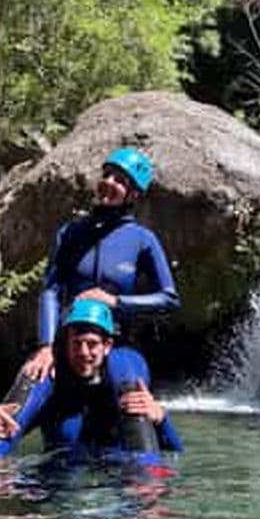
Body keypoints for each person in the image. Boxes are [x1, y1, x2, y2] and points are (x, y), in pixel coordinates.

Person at [24, 147, 179, 383]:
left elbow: (169, 300)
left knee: (132, 398)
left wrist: (116, 302)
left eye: (119, 180)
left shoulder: (142, 239)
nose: (108, 182)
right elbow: (50, 291)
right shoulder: (71, 232)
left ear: (133, 194)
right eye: (106, 175)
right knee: (26, 385)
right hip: (70, 342)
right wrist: (46, 346)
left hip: (118, 345)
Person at [0, 298, 182, 465]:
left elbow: (176, 454)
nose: (83, 352)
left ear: (107, 345)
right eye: (76, 344)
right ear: (66, 344)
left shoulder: (122, 381)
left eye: (92, 344)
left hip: (114, 484)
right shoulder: (51, 390)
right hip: (56, 485)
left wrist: (161, 419)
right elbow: (3, 438)